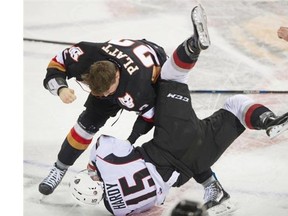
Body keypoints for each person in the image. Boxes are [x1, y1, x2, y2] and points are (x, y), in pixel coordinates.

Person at [69, 5, 288, 216]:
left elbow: (156, 199)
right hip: (169, 142)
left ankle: (215, 191)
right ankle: (194, 45)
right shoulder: (105, 161)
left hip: (190, 167)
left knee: (236, 108)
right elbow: (106, 143)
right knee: (171, 77)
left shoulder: (117, 209)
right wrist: (94, 166)